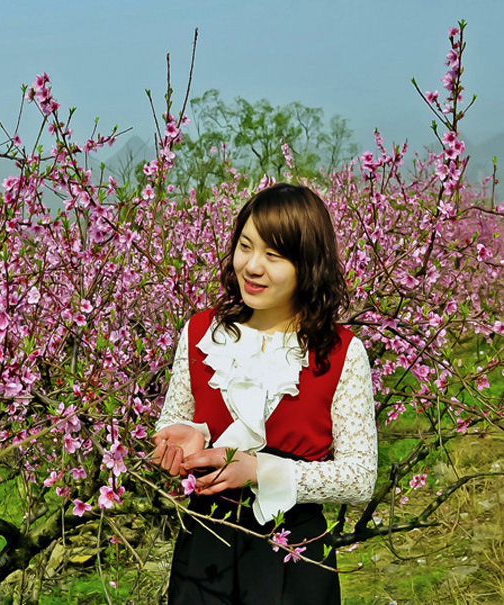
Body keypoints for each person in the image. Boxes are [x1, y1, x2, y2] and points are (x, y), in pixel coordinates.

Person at [151, 183, 377, 604]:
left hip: (293, 551)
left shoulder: (340, 351)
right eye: (245, 246)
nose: (252, 266)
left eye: (273, 256)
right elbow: (175, 419)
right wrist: (182, 439)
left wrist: (258, 470)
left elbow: (359, 477)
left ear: (307, 265)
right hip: (206, 545)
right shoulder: (201, 333)